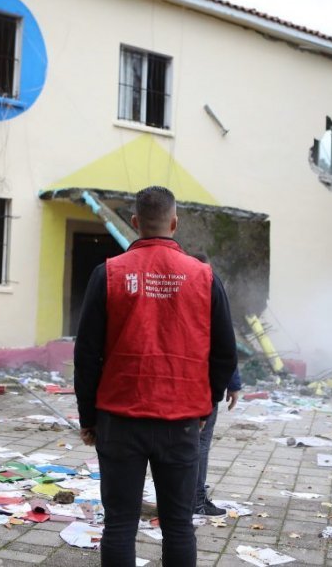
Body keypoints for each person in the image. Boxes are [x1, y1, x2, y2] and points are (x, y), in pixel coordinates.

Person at [74, 186, 238, 567]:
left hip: (118, 419)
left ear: (134, 223)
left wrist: (88, 417)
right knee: (179, 525)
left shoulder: (109, 274)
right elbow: (225, 353)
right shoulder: (204, 277)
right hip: (180, 422)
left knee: (119, 524)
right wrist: (204, 408)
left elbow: (86, 355)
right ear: (174, 222)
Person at [189, 252, 242, 517]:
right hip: (203, 386)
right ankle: (196, 500)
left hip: (179, 382)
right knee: (200, 444)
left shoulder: (179, 290)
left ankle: (181, 498)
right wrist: (230, 385)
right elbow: (225, 343)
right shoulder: (211, 288)